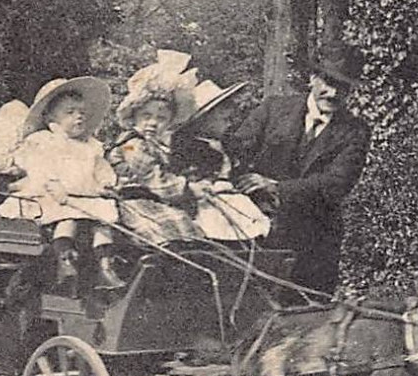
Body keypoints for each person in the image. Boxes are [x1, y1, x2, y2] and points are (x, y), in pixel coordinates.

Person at [227, 44, 370, 295]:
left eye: (344, 87)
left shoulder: (355, 130)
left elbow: (336, 184)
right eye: (328, 81)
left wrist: (275, 187)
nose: (333, 92)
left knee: (308, 320)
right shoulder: (274, 109)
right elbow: (238, 150)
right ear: (313, 78)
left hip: (314, 244)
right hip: (256, 235)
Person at [0, 76, 124, 293]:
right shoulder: (46, 142)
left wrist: (106, 183)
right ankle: (65, 260)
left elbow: (101, 169)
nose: (78, 117)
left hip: (85, 195)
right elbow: (40, 168)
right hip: (54, 195)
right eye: (70, 112)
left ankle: (106, 266)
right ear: (52, 120)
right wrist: (53, 184)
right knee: (68, 218)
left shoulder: (90, 146)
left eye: (82, 113)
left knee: (104, 222)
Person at [107, 50, 201, 247]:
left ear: (169, 123)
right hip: (131, 201)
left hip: (155, 201)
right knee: (159, 233)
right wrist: (187, 188)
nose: (152, 123)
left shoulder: (160, 146)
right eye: (146, 116)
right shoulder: (131, 144)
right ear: (133, 117)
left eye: (161, 119)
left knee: (188, 229)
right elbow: (149, 174)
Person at [171, 77, 270, 242]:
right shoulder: (190, 147)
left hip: (232, 197)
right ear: (203, 119)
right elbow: (186, 174)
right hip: (207, 199)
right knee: (214, 226)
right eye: (222, 110)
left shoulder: (227, 144)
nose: (230, 114)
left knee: (249, 226)